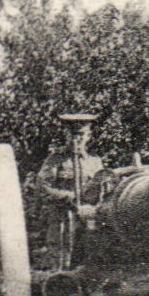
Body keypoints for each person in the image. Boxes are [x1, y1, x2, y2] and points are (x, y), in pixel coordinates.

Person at [29, 111, 106, 270]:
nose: (77, 139)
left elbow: (103, 190)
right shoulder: (55, 160)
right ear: (66, 135)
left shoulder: (95, 162)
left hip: (89, 222)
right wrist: (70, 197)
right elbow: (43, 188)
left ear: (88, 136)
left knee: (90, 264)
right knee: (61, 264)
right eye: (72, 135)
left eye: (81, 135)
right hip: (62, 220)